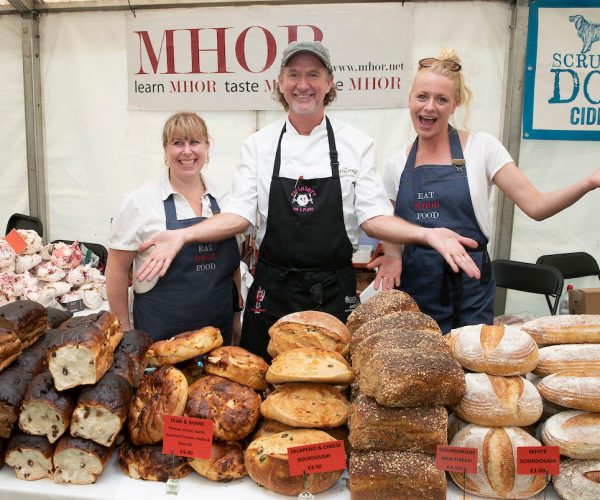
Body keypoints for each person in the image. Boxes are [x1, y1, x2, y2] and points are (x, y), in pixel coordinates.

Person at [135, 41, 481, 360]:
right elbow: (239, 215)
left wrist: (427, 233)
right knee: (261, 385)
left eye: (313, 74)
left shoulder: (355, 144)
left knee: (332, 391)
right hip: (273, 291)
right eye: (294, 74)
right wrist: (183, 234)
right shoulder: (259, 145)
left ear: (330, 82)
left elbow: (374, 217)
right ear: (281, 83)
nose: (303, 84)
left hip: (333, 293)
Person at [376, 49, 600, 333]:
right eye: (422, 96)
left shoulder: (482, 148)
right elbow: (392, 225)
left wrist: (589, 183)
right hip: (415, 289)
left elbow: (536, 206)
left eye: (441, 99)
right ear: (410, 99)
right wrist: (394, 255)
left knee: (472, 373)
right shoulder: (397, 164)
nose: (429, 107)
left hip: (468, 290)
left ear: (455, 104)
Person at [106, 112, 241, 342]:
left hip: (218, 333)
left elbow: (233, 268)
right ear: (166, 150)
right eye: (178, 143)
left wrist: (236, 317)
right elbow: (116, 269)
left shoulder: (225, 199)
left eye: (195, 142)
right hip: (159, 336)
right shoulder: (140, 202)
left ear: (207, 147)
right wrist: (124, 330)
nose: (187, 151)